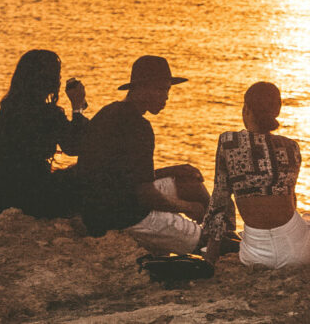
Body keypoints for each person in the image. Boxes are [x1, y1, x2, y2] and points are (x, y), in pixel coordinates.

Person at [77, 55, 210, 255]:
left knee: (189, 184)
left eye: (168, 90)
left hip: (101, 206)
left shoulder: (109, 112)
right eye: (161, 90)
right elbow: (145, 195)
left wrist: (173, 170)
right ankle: (213, 239)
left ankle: (220, 229)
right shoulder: (139, 127)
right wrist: (187, 207)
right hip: (123, 216)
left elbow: (126, 176)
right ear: (141, 89)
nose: (166, 97)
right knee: (215, 244)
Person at [201, 82, 310, 269]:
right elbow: (290, 202)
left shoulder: (228, 143)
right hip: (298, 254)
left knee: (304, 222)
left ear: (246, 109)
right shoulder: (291, 148)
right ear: (278, 109)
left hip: (254, 255)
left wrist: (210, 258)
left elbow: (219, 201)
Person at [0, 49, 88, 218]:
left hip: (1, 191)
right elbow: (74, 146)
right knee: (84, 173)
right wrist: (78, 107)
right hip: (33, 196)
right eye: (56, 75)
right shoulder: (48, 114)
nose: (59, 79)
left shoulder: (9, 107)